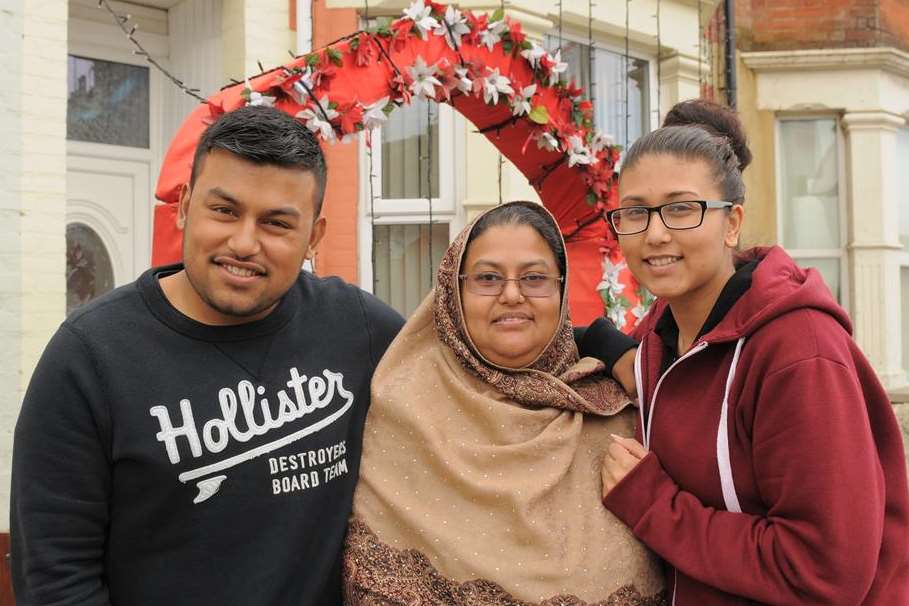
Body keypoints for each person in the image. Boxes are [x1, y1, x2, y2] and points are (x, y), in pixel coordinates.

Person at [11, 105, 404, 606]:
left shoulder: (359, 328)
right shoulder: (89, 358)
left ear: (314, 238)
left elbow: (471, 386)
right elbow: (55, 578)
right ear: (184, 205)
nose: (243, 242)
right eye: (224, 211)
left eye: (277, 223)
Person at [596, 100, 909, 604]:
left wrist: (652, 505)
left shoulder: (800, 351)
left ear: (732, 223)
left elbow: (824, 572)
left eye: (681, 208)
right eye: (635, 212)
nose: (655, 233)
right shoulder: (661, 334)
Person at [343, 201, 666, 605]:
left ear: (561, 290)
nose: (512, 295)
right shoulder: (403, 407)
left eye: (534, 278)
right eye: (488, 278)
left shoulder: (622, 408)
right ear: (452, 292)